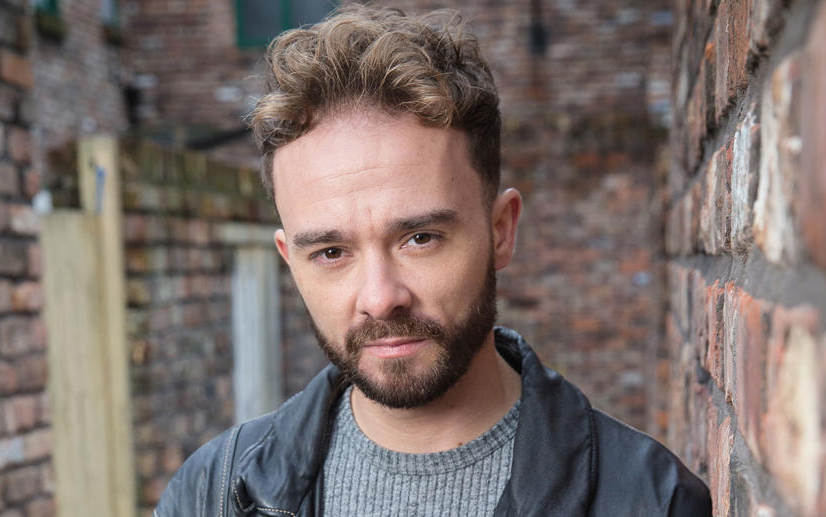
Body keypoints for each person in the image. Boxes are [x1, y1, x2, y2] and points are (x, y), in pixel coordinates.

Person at [155, 6, 711, 516]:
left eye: (419, 238)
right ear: (289, 260)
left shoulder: (649, 499)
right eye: (331, 252)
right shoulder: (211, 496)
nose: (379, 296)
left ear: (501, 231)